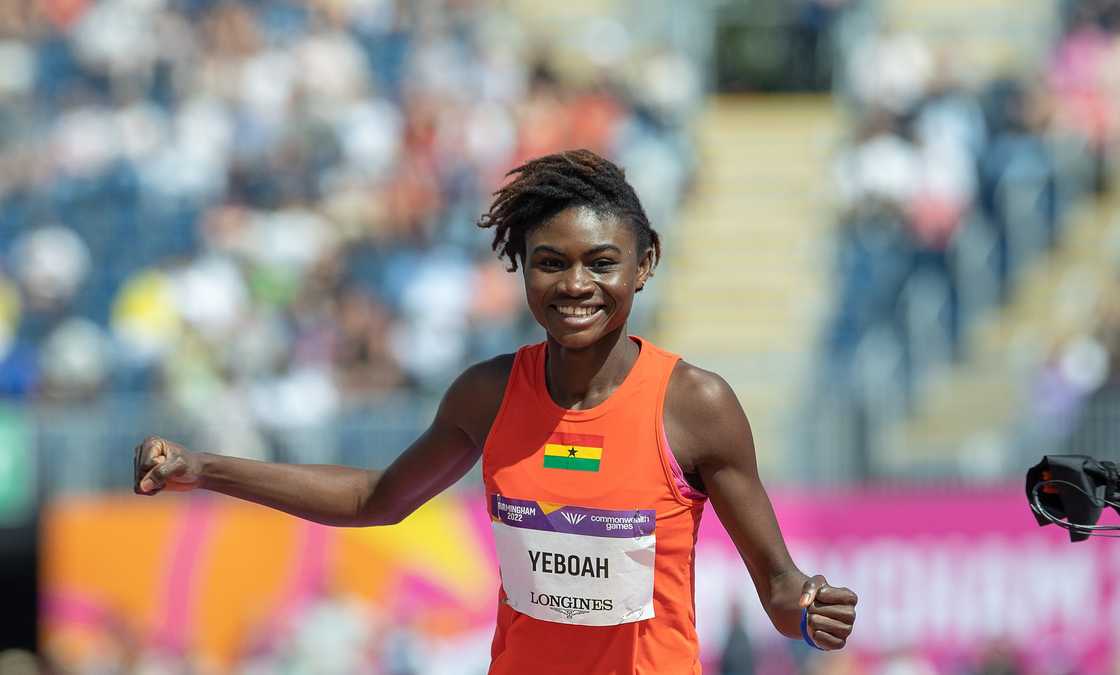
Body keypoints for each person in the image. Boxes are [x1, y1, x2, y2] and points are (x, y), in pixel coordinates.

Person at [134, 149, 858, 674]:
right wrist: (205, 468)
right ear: (522, 266)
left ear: (644, 264)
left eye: (602, 262)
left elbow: (780, 588)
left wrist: (810, 609)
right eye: (550, 261)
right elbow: (374, 498)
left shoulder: (696, 405)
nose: (576, 283)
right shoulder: (487, 394)